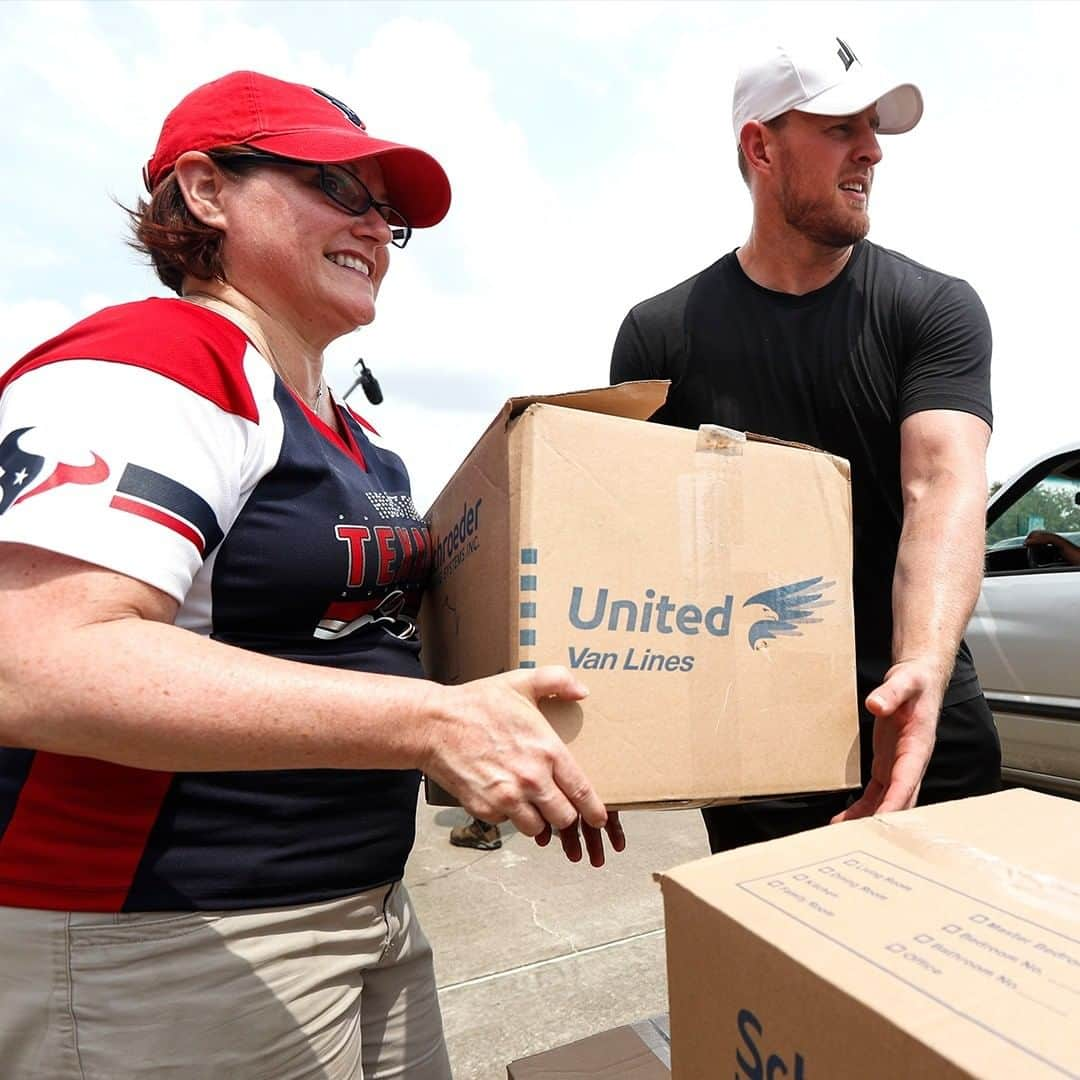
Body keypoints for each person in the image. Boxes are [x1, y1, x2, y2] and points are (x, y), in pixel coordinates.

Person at [0, 70, 622, 1079]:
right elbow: (31, 660)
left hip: (364, 908)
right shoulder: (160, 360)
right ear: (204, 191)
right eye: (339, 187)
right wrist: (430, 724)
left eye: (389, 215)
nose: (375, 226)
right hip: (165, 944)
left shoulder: (368, 444)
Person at [611, 36, 1002, 853]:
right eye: (839, 127)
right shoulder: (659, 336)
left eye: (873, 128)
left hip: (924, 716)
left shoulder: (934, 308)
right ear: (760, 146)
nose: (872, 151)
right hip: (753, 735)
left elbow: (943, 486)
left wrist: (920, 672)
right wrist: (612, 728)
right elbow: (635, 547)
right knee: (778, 977)